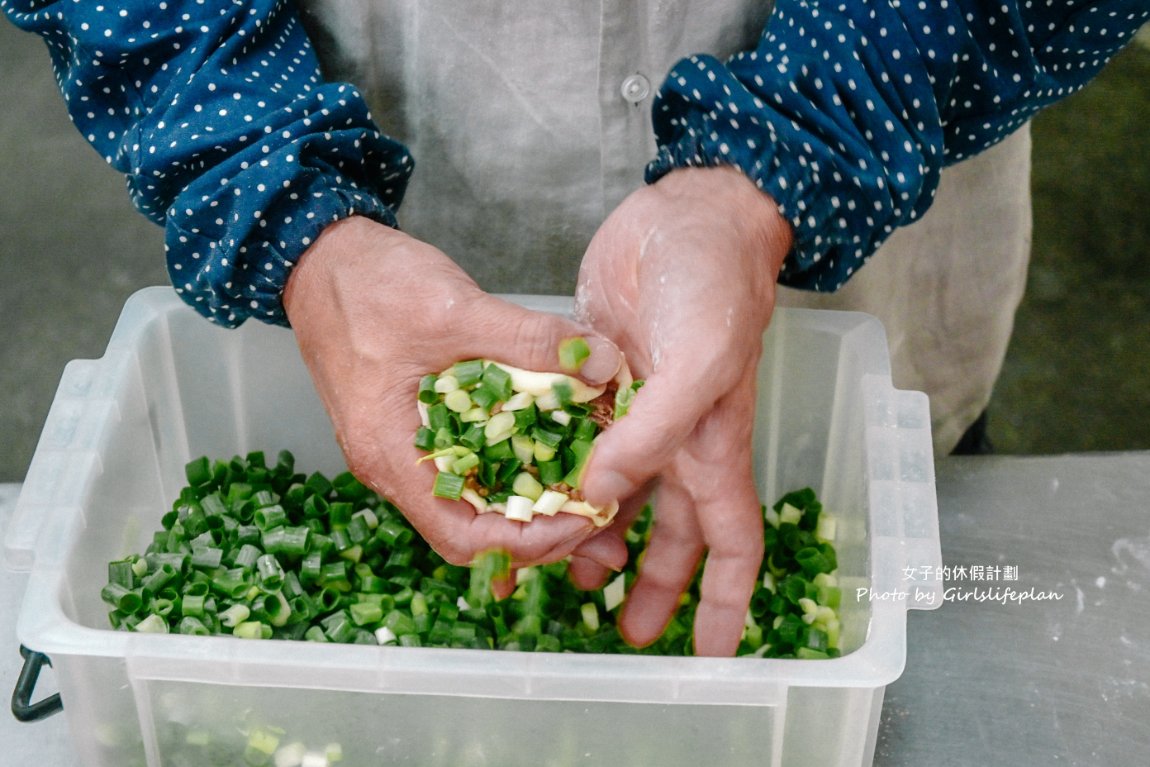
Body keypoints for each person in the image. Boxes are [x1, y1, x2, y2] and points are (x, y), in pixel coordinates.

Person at [5, 0, 1146, 656]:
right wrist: (278, 196)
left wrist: (779, 162)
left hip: (861, 185)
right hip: (371, 175)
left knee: (896, 568)